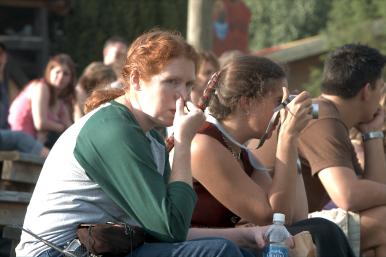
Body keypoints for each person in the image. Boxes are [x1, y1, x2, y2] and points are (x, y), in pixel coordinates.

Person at [16, 30, 276, 257]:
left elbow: (162, 230)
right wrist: (184, 142)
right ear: (136, 80)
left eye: (187, 84)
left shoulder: (150, 136)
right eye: (171, 82)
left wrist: (247, 237)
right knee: (220, 253)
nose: (182, 95)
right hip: (55, 251)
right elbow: (170, 229)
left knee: (242, 250)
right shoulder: (114, 130)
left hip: (98, 247)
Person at [187, 55, 355, 257]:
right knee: (320, 232)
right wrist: (286, 139)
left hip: (224, 246)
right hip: (197, 248)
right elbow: (273, 219)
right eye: (279, 102)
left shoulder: (241, 152)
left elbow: (295, 217)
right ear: (246, 103)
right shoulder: (203, 144)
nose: (285, 110)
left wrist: (292, 142)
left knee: (319, 227)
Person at [293, 44, 386, 257]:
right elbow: (348, 195)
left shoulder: (334, 119)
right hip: (268, 234)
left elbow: (372, 195)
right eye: (381, 88)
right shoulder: (320, 116)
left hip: (293, 228)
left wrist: (372, 133)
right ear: (367, 91)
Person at [8, 54, 75, 148]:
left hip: (38, 142)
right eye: (58, 72)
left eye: (66, 74)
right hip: (21, 138)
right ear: (50, 71)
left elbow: (70, 127)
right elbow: (40, 123)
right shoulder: (41, 87)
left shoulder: (60, 100)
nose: (61, 77)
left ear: (71, 79)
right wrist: (62, 127)